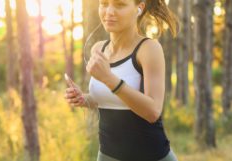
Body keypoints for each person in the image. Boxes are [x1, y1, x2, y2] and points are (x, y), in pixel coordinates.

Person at [64, 0, 179, 160]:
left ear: (139, 8)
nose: (109, 11)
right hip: (107, 156)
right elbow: (108, 100)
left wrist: (109, 79)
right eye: (104, 3)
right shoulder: (98, 49)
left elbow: (153, 111)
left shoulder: (149, 49)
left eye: (119, 5)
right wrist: (83, 99)